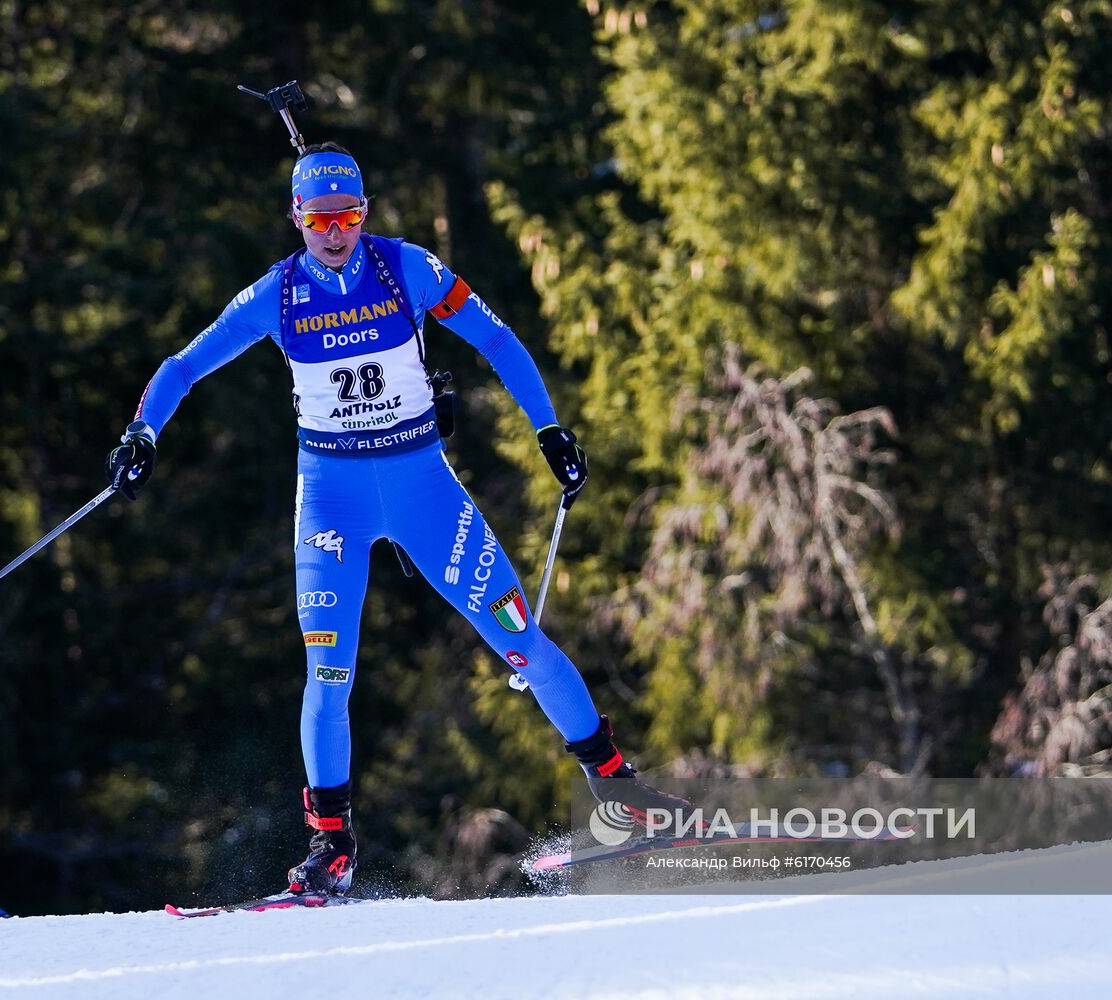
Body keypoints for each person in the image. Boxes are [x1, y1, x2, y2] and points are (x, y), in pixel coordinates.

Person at [105, 142, 688, 894]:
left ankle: (621, 792)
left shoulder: (406, 268)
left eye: (346, 215)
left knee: (520, 642)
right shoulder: (276, 295)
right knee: (329, 671)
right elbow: (184, 364)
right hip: (330, 504)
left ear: (365, 213)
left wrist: (548, 428)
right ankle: (329, 846)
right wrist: (141, 434)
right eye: (319, 219)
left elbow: (496, 338)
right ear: (296, 219)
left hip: (424, 491)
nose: (334, 232)